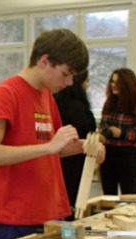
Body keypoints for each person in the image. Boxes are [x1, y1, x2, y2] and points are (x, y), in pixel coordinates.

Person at [0, 29, 105, 239]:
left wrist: (86, 146)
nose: (69, 82)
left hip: (50, 214)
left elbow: (54, 148)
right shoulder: (5, 95)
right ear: (44, 61)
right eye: (65, 74)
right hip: (16, 220)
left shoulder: (46, 95)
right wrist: (48, 147)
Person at [99, 68, 136, 195]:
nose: (113, 85)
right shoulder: (109, 102)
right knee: (108, 195)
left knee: (128, 195)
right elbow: (103, 125)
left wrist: (122, 134)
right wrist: (104, 132)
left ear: (126, 84)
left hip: (127, 155)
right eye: (112, 82)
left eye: (117, 83)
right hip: (108, 153)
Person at [53, 71, 98, 210]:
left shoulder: (56, 102)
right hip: (74, 159)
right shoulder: (78, 106)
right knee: (73, 200)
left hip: (61, 159)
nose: (88, 85)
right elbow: (86, 132)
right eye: (86, 81)